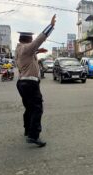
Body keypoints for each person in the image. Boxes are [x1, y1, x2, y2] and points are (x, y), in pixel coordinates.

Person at [15, 14, 56, 147]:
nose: (33, 40)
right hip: (30, 83)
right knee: (37, 108)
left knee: (29, 108)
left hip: (22, 83)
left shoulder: (19, 49)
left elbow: (30, 51)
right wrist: (50, 26)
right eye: (31, 40)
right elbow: (38, 40)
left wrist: (37, 51)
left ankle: (27, 130)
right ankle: (33, 135)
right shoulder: (27, 48)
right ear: (28, 40)